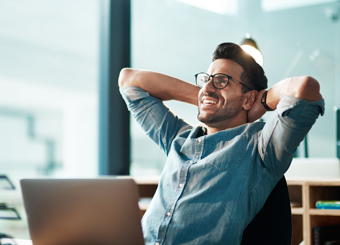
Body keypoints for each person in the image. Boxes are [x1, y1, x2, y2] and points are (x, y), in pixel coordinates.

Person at [118, 42, 324, 245]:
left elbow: (305, 88)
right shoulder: (178, 138)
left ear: (248, 98)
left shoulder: (261, 148)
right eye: (206, 80)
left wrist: (260, 103)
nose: (207, 87)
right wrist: (207, 97)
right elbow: (129, 80)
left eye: (221, 80)